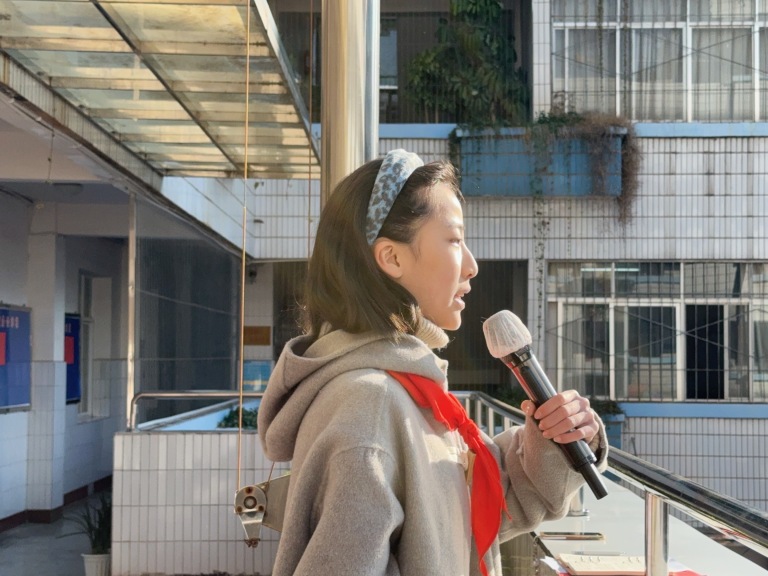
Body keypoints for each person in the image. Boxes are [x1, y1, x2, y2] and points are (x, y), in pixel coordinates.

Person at [258, 149, 608, 576]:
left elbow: (466, 515)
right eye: (455, 240)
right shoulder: (369, 405)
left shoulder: (403, 393)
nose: (472, 266)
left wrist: (555, 441)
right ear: (392, 258)